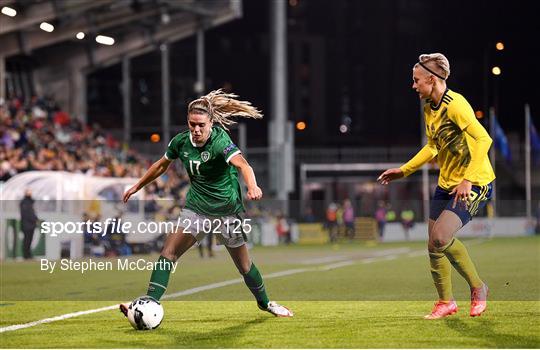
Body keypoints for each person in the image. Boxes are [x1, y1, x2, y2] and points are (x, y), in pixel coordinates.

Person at [120, 90, 293, 318]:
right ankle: (149, 304)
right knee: (168, 253)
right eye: (192, 124)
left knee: (244, 267)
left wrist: (252, 186)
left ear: (211, 122)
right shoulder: (181, 142)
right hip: (197, 209)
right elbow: (162, 165)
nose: (197, 130)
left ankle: (265, 303)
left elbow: (244, 166)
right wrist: (138, 185)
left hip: (227, 211)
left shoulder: (220, 141)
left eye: (201, 125)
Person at [378, 53, 494, 319]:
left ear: (432, 79)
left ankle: (478, 288)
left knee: (440, 237)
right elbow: (433, 146)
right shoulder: (429, 106)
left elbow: (484, 139)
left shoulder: (456, 105)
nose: (413, 85)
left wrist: (468, 179)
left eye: (416, 80)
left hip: (474, 183)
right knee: (434, 244)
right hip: (446, 184)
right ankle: (446, 302)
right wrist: (404, 170)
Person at [20, 189, 38, 259]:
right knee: (27, 240)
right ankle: (26, 255)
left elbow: (32, 212)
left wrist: (35, 218)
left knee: (29, 240)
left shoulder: (30, 202)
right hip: (27, 225)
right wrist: (34, 219)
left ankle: (28, 255)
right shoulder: (24, 202)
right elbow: (27, 214)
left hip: (31, 224)